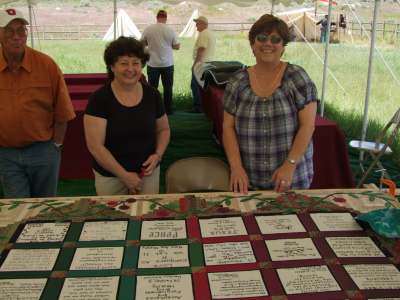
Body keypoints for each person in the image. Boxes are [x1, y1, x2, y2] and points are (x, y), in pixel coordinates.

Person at [223, 14, 318, 194]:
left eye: (276, 39)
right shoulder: (237, 81)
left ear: (283, 47)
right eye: (262, 38)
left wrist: (289, 166)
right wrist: (236, 168)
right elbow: (227, 127)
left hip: (292, 181)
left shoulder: (297, 77)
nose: (268, 43)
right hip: (248, 182)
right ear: (252, 44)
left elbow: (308, 126)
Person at [0, 8, 75, 198]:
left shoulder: (46, 65)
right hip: (6, 154)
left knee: (45, 209)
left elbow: (63, 111)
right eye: (9, 30)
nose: (16, 36)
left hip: (43, 151)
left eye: (21, 30)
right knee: (18, 210)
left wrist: (55, 146)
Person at [84, 37, 170, 196]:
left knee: (147, 216)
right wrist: (124, 175)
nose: (130, 69)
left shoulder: (153, 95)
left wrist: (157, 155)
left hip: (148, 174)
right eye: (124, 63)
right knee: (113, 219)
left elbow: (163, 129)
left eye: (136, 63)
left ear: (142, 66)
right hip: (111, 177)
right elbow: (96, 147)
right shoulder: (99, 99)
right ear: (112, 67)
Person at [141, 10, 180, 115]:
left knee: (152, 88)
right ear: (166, 18)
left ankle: (152, 109)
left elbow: (141, 43)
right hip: (167, 64)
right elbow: (177, 46)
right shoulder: (170, 30)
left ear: (157, 17)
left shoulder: (149, 29)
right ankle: (168, 110)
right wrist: (168, 45)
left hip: (152, 64)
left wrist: (150, 45)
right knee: (168, 87)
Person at [191, 15, 215, 113]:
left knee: (195, 85)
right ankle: (204, 107)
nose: (196, 25)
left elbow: (201, 50)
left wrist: (195, 64)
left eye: (198, 23)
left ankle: (198, 108)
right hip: (207, 64)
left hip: (201, 64)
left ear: (204, 24)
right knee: (203, 86)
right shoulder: (209, 33)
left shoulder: (203, 34)